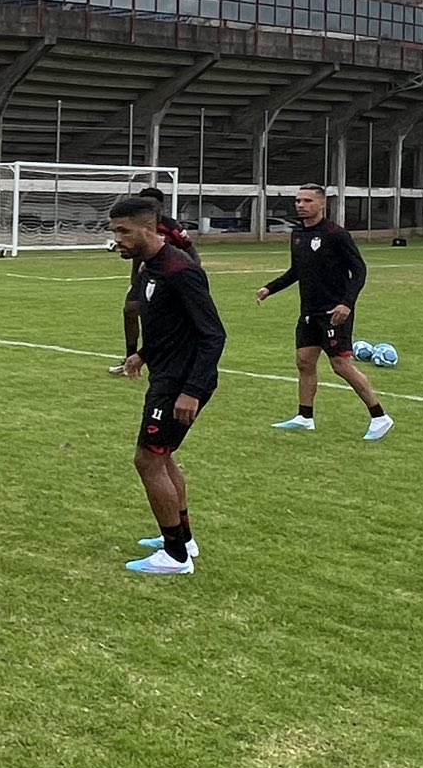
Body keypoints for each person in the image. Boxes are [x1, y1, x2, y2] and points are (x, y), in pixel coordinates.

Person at [107, 195, 225, 575]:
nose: (117, 239)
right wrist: (141, 354)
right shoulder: (150, 268)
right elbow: (169, 325)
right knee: (163, 455)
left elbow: (213, 335)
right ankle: (183, 539)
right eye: (113, 231)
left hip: (180, 383)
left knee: (147, 460)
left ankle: (175, 558)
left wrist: (191, 390)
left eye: (123, 231)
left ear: (149, 228)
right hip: (167, 375)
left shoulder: (180, 270)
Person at [256, 184, 391, 441]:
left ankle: (380, 416)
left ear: (322, 205)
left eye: (307, 200)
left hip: (334, 312)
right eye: (297, 200)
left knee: (341, 365)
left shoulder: (336, 234)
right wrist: (270, 288)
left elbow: (359, 270)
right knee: (304, 362)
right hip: (309, 312)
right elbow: (297, 271)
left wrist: (346, 303)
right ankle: (305, 417)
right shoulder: (297, 235)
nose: (300, 205)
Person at [108, 185, 196, 378]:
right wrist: (135, 282)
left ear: (160, 207)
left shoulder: (171, 227)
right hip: (143, 277)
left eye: (153, 205)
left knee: (164, 322)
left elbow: (190, 251)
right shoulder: (133, 226)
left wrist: (192, 274)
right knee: (130, 310)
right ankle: (130, 358)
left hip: (168, 278)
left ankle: (166, 361)